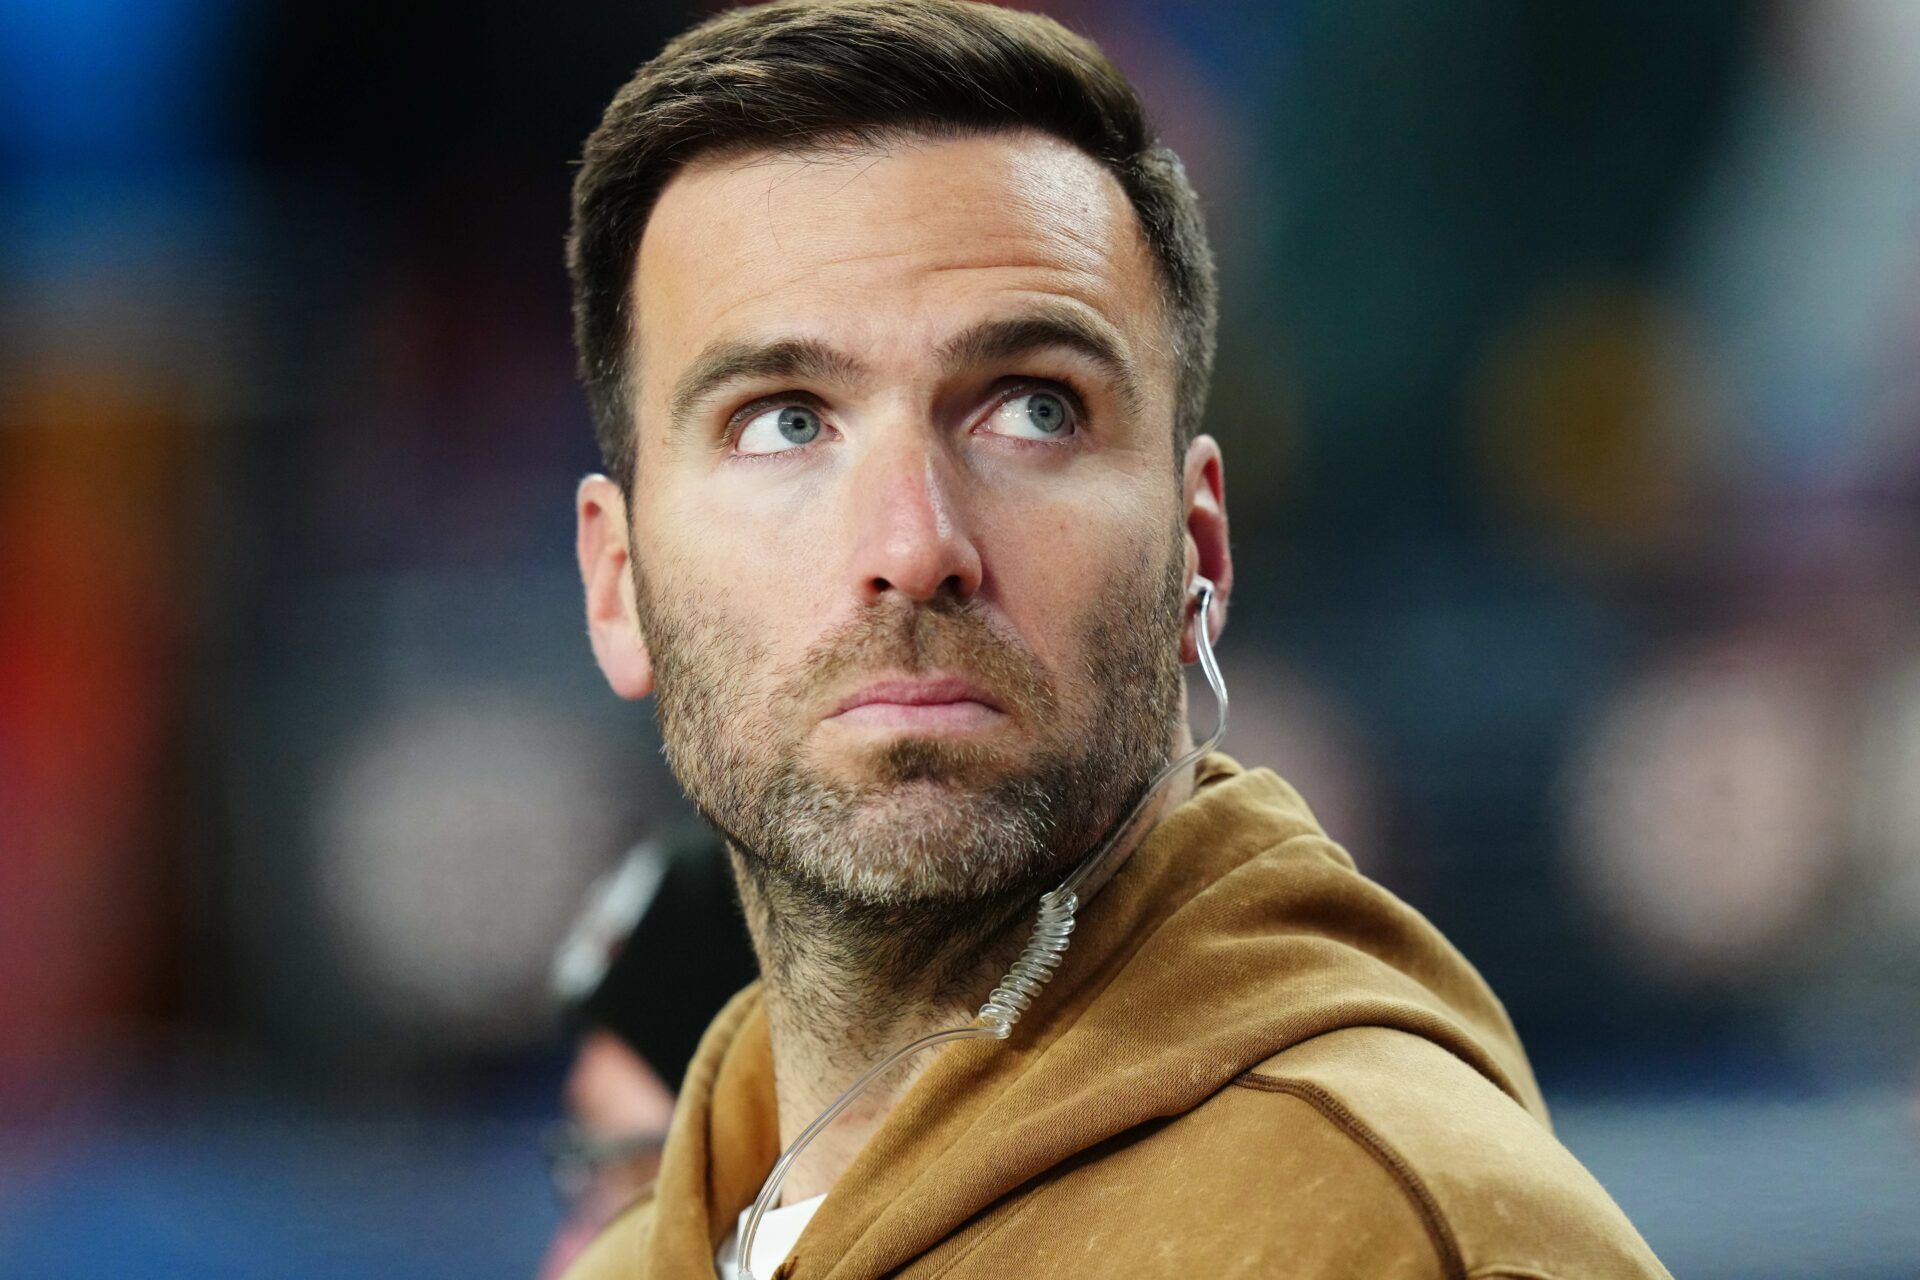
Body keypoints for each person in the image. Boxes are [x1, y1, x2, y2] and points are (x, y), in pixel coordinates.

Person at [562, 2, 1671, 1276]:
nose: (915, 543)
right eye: (784, 421)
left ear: (1197, 551)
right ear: (619, 581)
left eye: (1032, 409)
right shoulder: (642, 1255)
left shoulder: (1404, 1230)